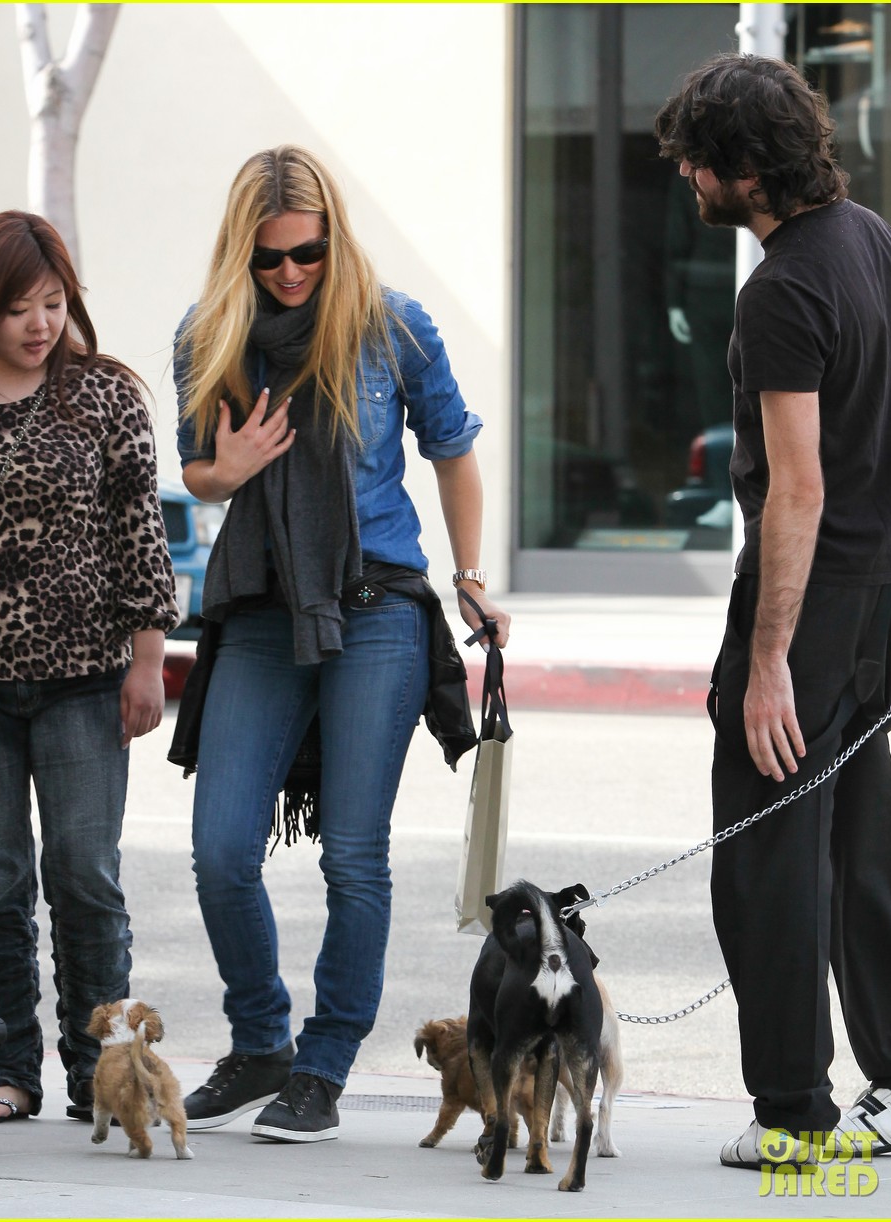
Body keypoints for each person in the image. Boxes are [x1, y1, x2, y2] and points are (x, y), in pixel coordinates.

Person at [173, 145, 509, 1143]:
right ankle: (260, 1041)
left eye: (307, 253)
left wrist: (472, 580)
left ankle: (322, 1067)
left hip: (377, 612)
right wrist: (224, 471)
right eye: (270, 258)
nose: (289, 274)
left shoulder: (391, 325)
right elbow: (198, 473)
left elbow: (453, 452)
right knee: (221, 846)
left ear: (335, 237)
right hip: (265, 612)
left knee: (354, 857)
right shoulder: (211, 333)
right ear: (242, 251)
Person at [655, 53, 891, 1169]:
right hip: (885, 588)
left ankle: (793, 1118)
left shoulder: (781, 289)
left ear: (745, 173)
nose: (685, 178)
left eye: (695, 162)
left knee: (765, 856)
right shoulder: (882, 244)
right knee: (858, 839)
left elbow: (798, 485)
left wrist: (769, 660)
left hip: (812, 602)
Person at [0, 210, 180, 1123]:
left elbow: (141, 535)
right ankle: (5, 1066)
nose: (40, 324)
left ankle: (107, 1071)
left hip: (87, 675)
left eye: (52, 303)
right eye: (18, 308)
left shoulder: (106, 395)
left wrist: (147, 661)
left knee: (87, 873)